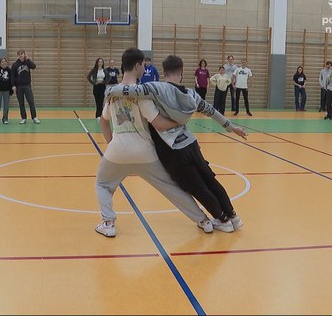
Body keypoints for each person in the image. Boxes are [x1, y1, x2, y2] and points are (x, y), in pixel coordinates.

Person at [106, 55, 248, 233]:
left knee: (197, 186)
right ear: (181, 73)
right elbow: (212, 112)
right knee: (210, 180)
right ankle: (233, 216)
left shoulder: (155, 88)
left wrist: (110, 91)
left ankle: (223, 219)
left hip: (171, 149)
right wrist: (232, 127)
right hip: (191, 144)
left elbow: (128, 91)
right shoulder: (192, 95)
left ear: (164, 72)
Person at [94, 48, 213, 238]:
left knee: (102, 184)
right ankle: (204, 221)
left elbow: (103, 120)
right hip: (145, 154)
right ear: (138, 65)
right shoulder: (143, 95)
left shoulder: (111, 94)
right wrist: (180, 121)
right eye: (143, 64)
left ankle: (108, 223)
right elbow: (159, 124)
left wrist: (111, 143)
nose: (145, 67)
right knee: (172, 188)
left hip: (117, 152)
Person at [11, 49, 40, 124]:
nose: (21, 55)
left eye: (22, 54)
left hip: (27, 86)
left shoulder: (27, 63)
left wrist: (28, 59)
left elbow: (34, 66)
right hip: (18, 87)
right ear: (18, 55)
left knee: (31, 102)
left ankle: (34, 117)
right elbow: (12, 76)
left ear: (24, 54)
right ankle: (23, 118)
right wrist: (13, 85)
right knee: (21, 103)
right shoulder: (15, 65)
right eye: (19, 54)